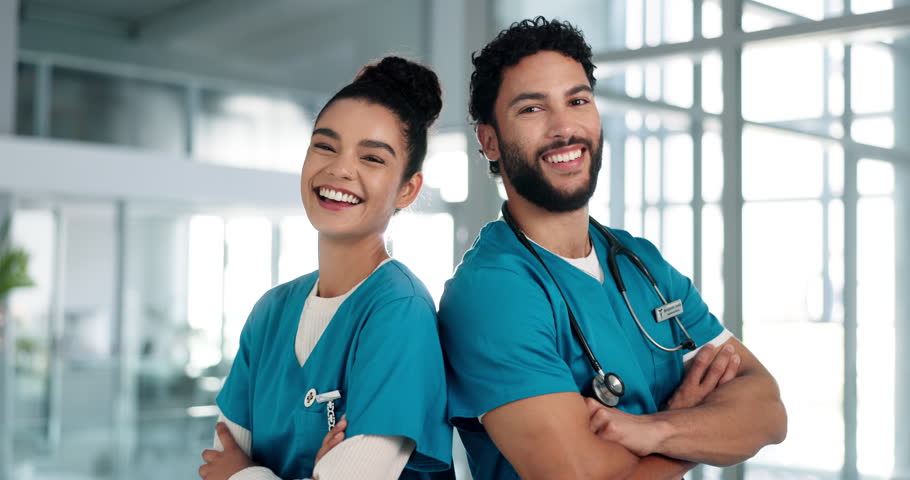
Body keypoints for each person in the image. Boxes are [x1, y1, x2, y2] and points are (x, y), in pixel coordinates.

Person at [437, 17, 787, 480]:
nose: (564, 127)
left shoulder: (641, 263)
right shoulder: (492, 293)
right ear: (489, 141)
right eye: (532, 109)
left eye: (577, 100)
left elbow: (766, 411)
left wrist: (654, 430)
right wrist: (688, 414)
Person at [198, 56, 453, 480]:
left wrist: (245, 474)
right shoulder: (270, 312)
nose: (340, 168)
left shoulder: (399, 310)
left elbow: (231, 471)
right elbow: (217, 461)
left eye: (372, 158)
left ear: (407, 189)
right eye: (325, 145)